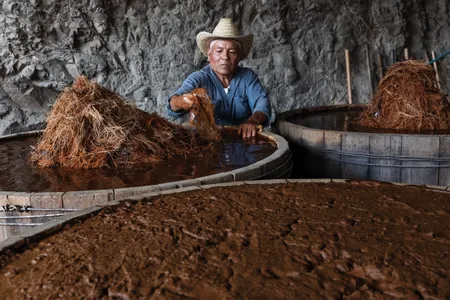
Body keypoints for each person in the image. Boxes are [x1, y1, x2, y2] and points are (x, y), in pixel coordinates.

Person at [167, 18, 271, 139]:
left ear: (239, 57)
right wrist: (185, 101)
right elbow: (173, 104)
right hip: (208, 143)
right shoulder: (199, 78)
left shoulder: (247, 77)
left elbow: (262, 102)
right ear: (209, 55)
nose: (225, 57)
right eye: (219, 51)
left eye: (232, 52)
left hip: (242, 141)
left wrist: (253, 121)